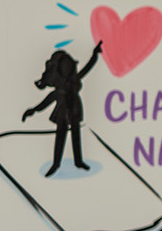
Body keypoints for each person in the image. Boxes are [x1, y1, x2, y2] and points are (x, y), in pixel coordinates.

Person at [22, 40, 104, 174]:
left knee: (76, 136)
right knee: (61, 137)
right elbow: (46, 102)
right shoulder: (59, 91)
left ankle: (78, 161)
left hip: (75, 110)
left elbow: (87, 68)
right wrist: (33, 110)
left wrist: (95, 55)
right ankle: (56, 164)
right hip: (62, 113)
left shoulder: (73, 82)